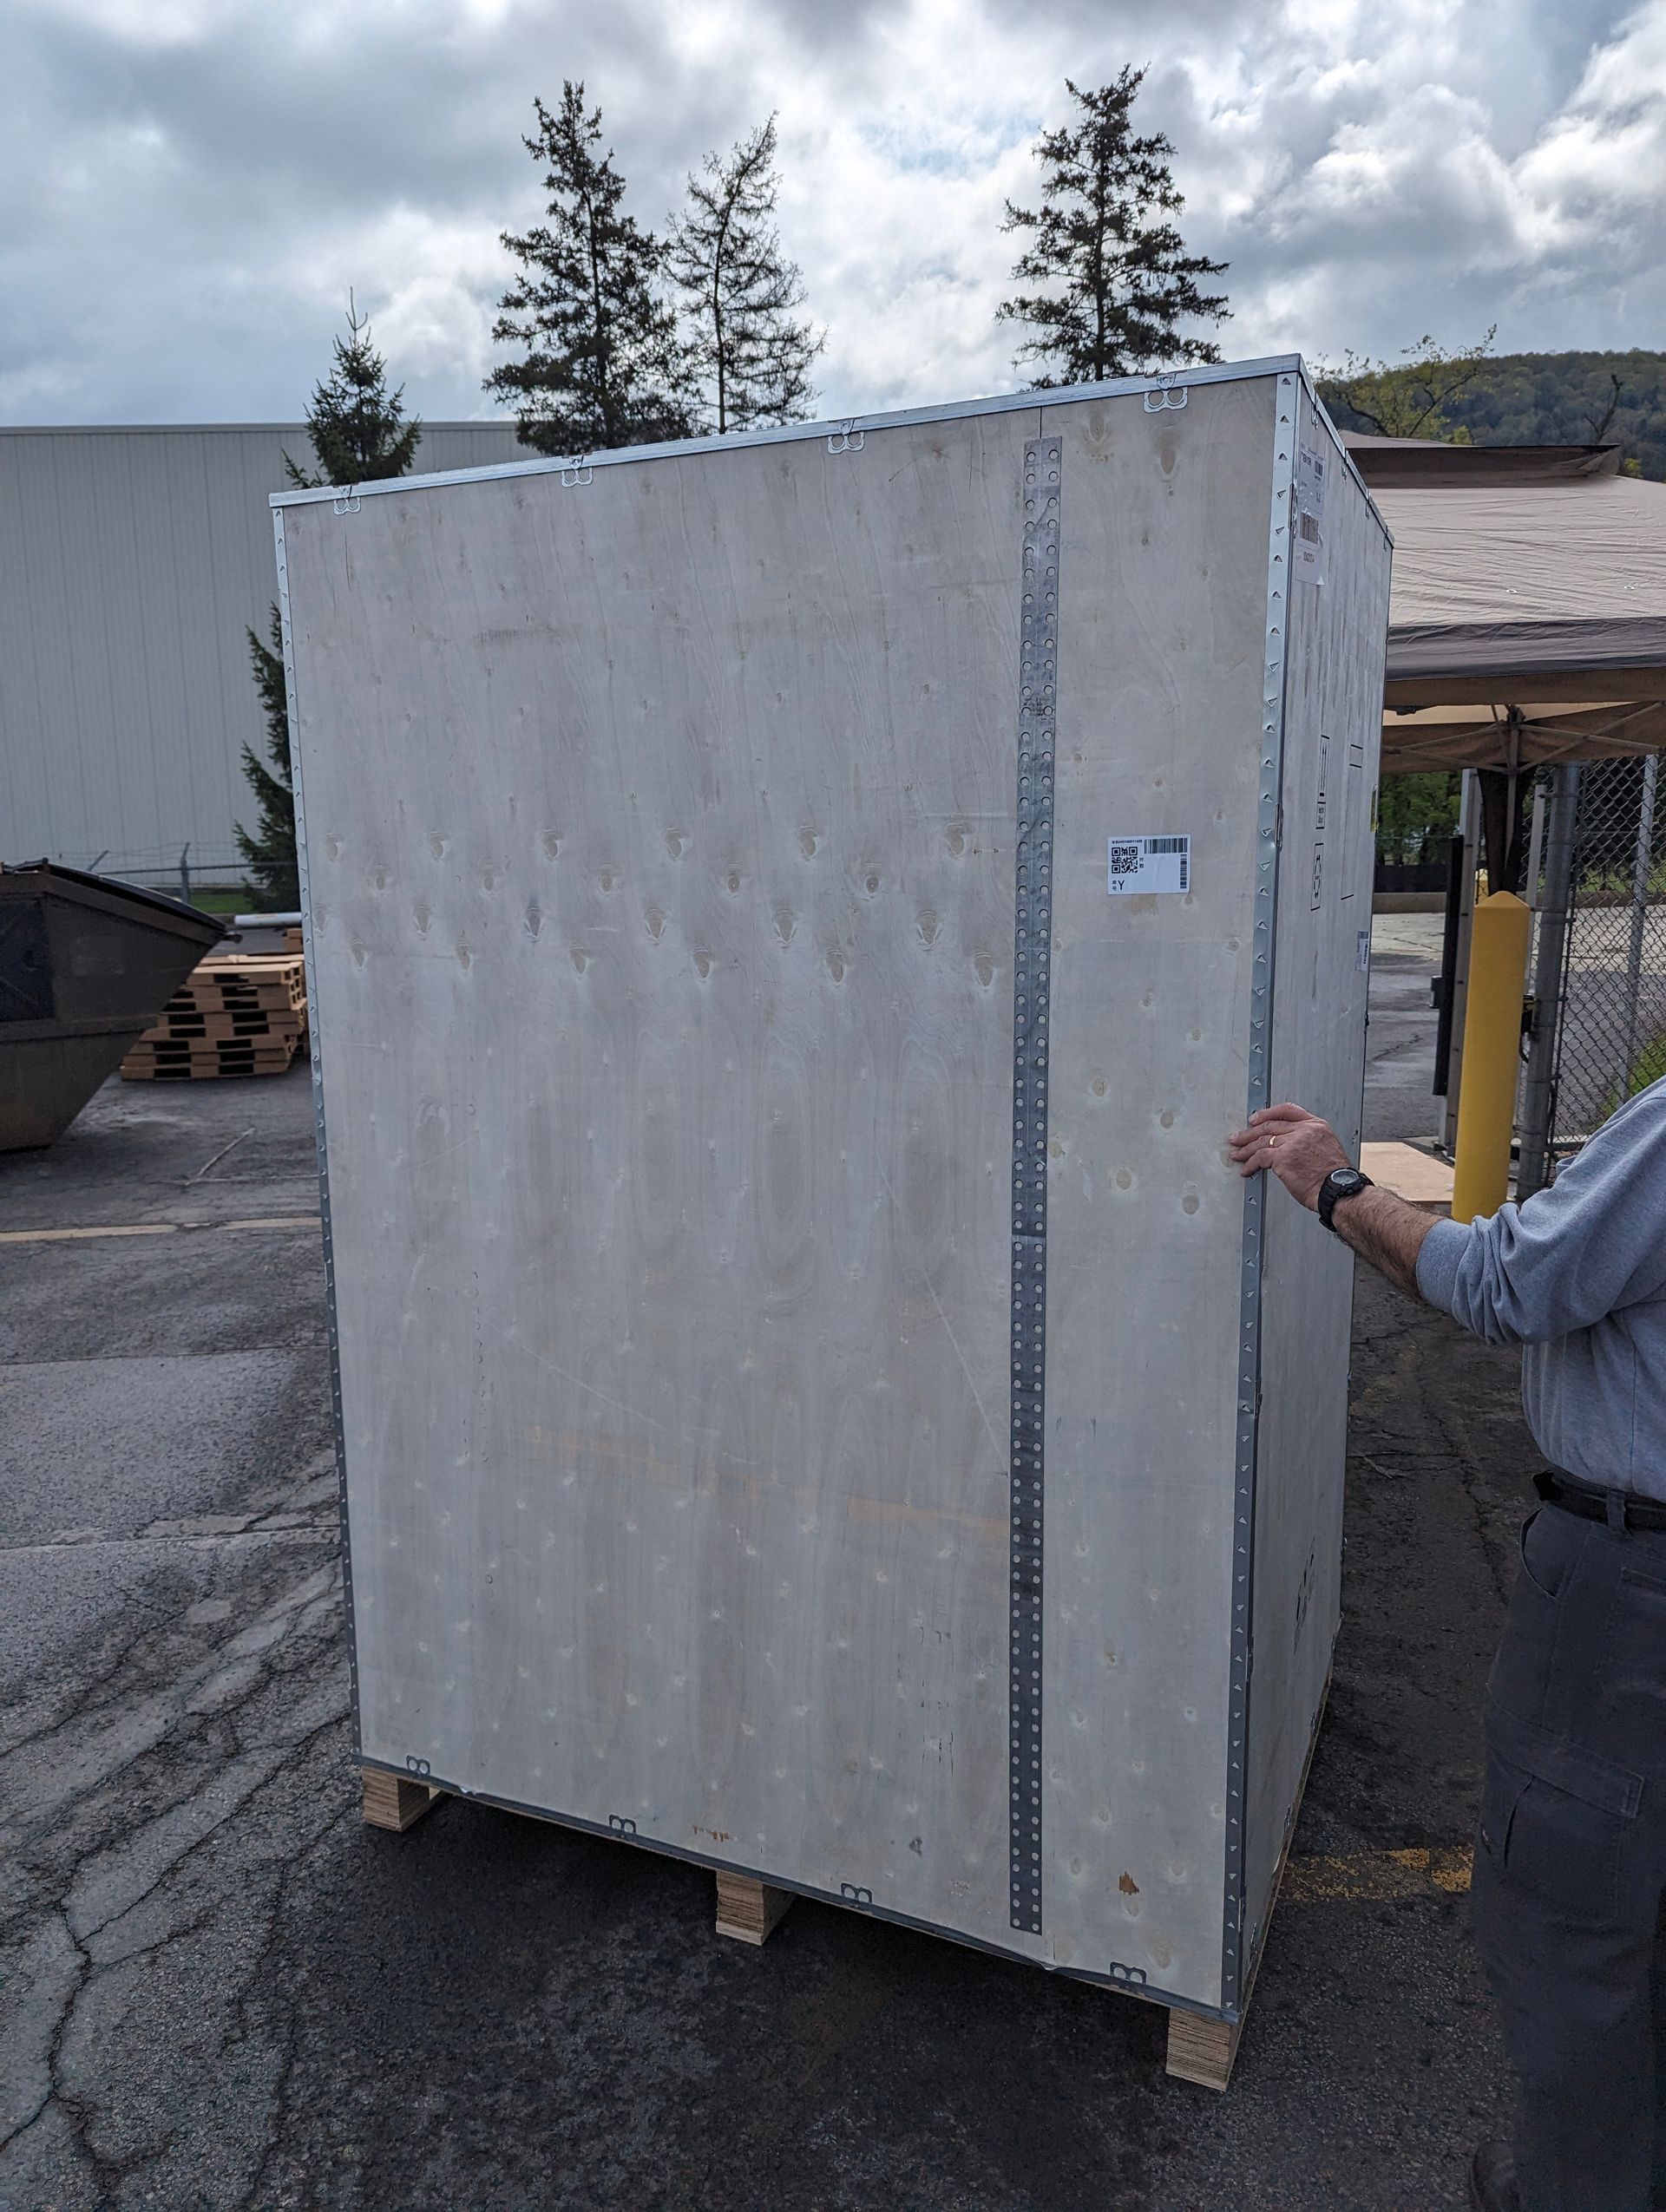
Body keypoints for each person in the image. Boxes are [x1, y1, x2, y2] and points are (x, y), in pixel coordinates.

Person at [1229, 1083, 1666, 2212]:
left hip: (1634, 1595)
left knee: (1572, 1913)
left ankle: (1582, 2190)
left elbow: (1508, 1283)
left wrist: (1335, 1185)